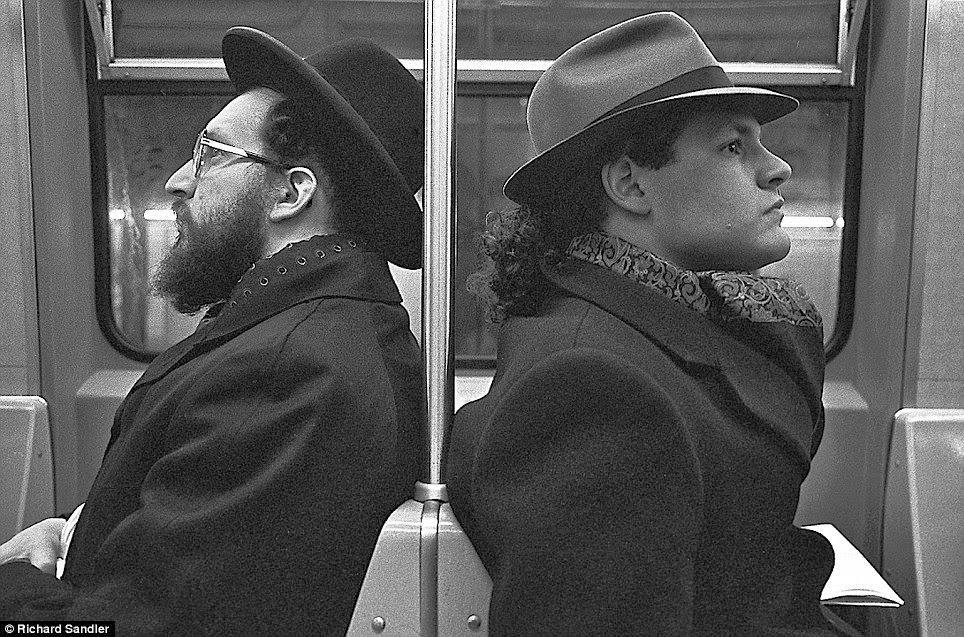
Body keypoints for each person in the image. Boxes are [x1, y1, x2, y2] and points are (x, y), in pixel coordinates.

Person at [0, 27, 425, 634]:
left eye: (209, 154)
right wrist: (74, 541)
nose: (177, 180)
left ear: (290, 192)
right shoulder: (299, 337)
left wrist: (13, 585)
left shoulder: (288, 373)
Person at [446, 12, 840, 636]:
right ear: (630, 184)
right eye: (734, 146)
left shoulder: (680, 326)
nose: (777, 168)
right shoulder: (590, 386)